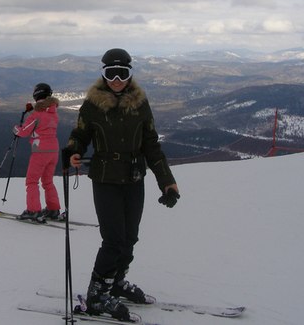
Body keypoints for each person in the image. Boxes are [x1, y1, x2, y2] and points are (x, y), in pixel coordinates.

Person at [63, 48, 180, 320]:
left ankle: (115, 282)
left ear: (130, 74)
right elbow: (80, 134)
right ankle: (96, 296)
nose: (117, 80)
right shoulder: (93, 105)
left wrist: (167, 182)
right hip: (105, 179)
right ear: (103, 75)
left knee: (130, 237)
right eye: (111, 73)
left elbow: (151, 146)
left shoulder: (140, 105)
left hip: (134, 178)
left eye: (122, 73)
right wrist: (73, 151)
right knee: (113, 239)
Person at [13, 83, 62, 222]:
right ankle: (53, 209)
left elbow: (24, 131)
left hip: (40, 151)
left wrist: (15, 129)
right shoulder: (53, 113)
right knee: (48, 181)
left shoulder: (36, 114)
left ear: (36, 95)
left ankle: (33, 211)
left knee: (32, 181)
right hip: (54, 150)